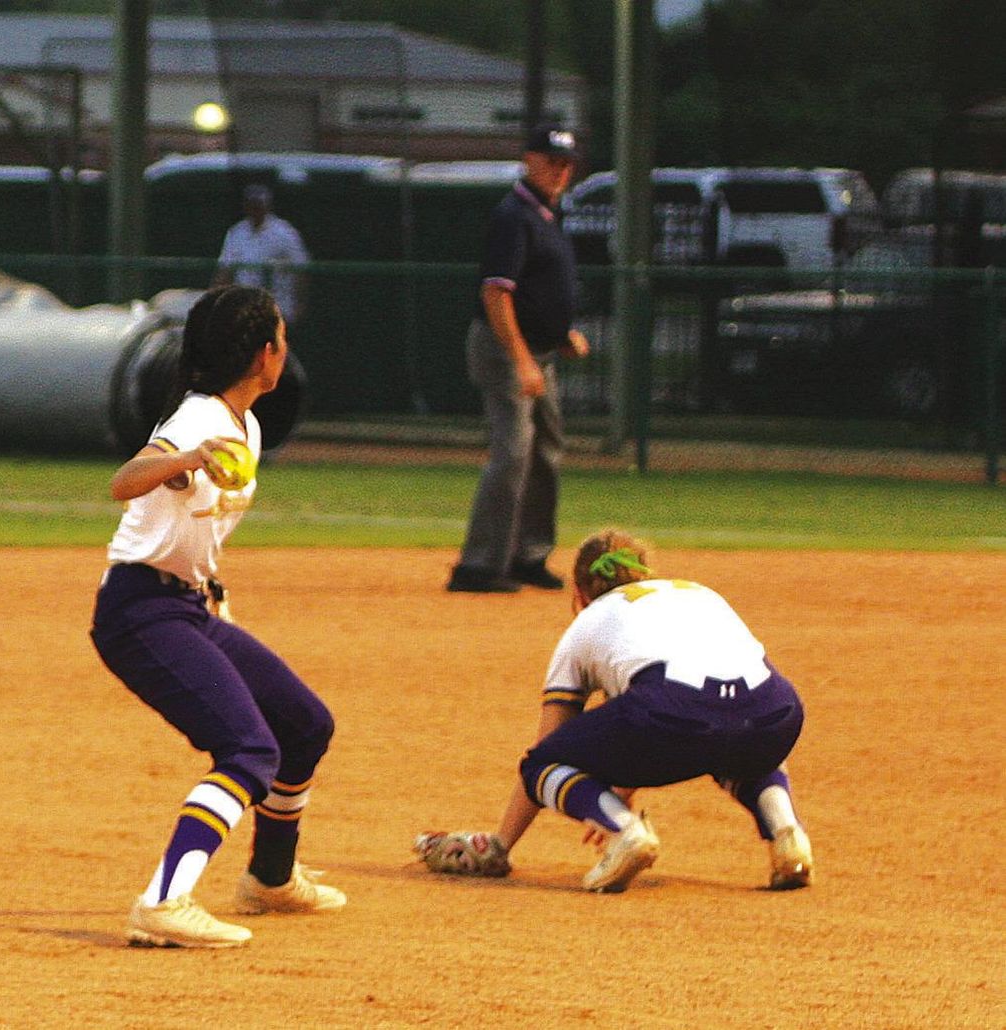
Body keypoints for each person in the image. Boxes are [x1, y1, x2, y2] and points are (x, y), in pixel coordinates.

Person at [90, 284, 345, 949]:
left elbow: (198, 523)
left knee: (304, 724)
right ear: (264, 353)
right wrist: (183, 459)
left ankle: (270, 878)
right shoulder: (200, 419)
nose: (284, 349)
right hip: (138, 610)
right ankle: (163, 901)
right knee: (250, 748)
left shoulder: (246, 424)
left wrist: (214, 589)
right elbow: (124, 481)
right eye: (281, 338)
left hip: (184, 604)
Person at [417, 528, 815, 892]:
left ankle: (626, 833)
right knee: (736, 737)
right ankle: (788, 835)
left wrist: (502, 844)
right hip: (776, 713)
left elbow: (548, 748)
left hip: (670, 714)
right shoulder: (698, 592)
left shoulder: (588, 621)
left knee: (543, 766)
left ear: (580, 592)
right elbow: (691, 707)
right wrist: (620, 788)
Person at [446, 123, 590, 594]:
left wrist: (559, 332)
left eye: (567, 163)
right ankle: (479, 566)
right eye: (552, 161)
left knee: (546, 451)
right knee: (513, 452)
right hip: (506, 349)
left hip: (539, 349)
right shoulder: (514, 215)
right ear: (529, 159)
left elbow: (535, 289)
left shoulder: (548, 214)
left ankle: (528, 555)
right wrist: (522, 359)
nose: (560, 171)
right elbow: (496, 294)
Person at [213, 184, 310, 328]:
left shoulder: (285, 232)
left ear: (267, 206)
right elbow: (225, 270)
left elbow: (301, 269)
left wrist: (300, 303)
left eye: (258, 204)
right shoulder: (237, 232)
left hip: (279, 305)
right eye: (250, 204)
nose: (254, 209)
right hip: (245, 306)